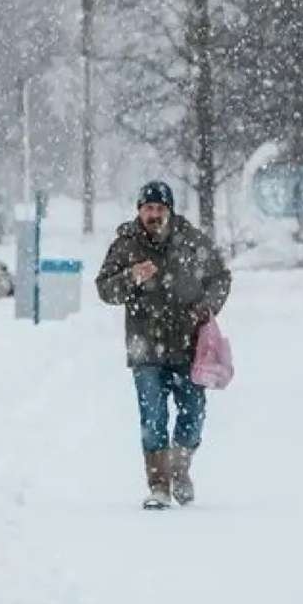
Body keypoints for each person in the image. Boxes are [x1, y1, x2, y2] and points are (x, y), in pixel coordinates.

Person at [96, 180, 232, 510]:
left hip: (188, 347)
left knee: (193, 415)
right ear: (139, 210)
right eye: (147, 208)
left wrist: (206, 307)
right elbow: (104, 289)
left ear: (169, 210)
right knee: (152, 417)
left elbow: (220, 278)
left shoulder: (191, 241)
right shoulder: (126, 245)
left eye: (159, 208)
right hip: (146, 350)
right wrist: (131, 277)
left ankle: (180, 468)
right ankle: (159, 484)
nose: (153, 214)